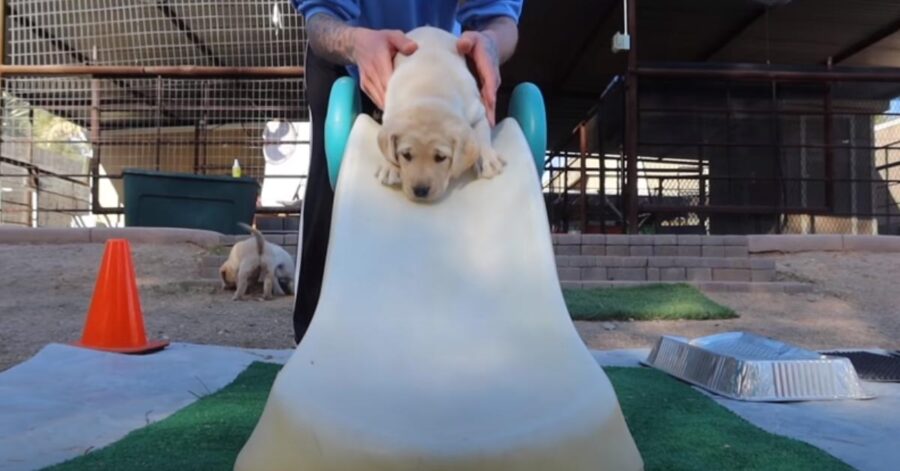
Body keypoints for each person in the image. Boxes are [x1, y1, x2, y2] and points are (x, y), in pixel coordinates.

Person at [291, 0, 523, 344]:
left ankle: (443, 327)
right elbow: (320, 18)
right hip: (349, 56)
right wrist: (354, 43)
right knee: (333, 191)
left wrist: (488, 43)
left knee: (452, 210)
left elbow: (499, 19)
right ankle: (315, 342)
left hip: (442, 68)